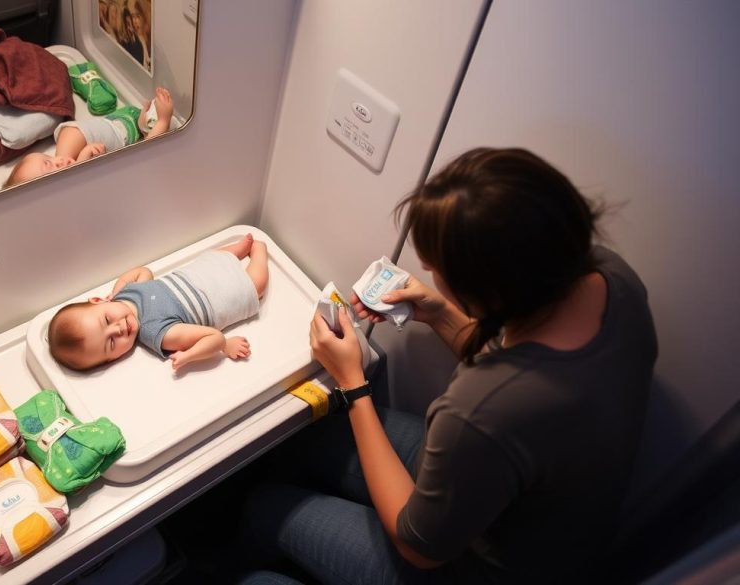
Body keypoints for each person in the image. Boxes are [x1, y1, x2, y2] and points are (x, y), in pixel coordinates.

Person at [243, 147, 658, 583]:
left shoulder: (480, 411)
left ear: (491, 293)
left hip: (475, 566)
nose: (427, 270)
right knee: (312, 438)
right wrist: (441, 312)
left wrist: (353, 385)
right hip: (532, 509)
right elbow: (519, 365)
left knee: (267, 510)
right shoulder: (611, 279)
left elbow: (419, 547)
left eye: (438, 269)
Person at [49, 233, 269, 371]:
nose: (118, 329)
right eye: (111, 343)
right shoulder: (156, 333)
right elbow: (214, 336)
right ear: (112, 359)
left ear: (99, 300)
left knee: (214, 256)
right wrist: (197, 353)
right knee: (256, 286)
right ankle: (259, 252)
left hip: (198, 273)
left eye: (107, 319)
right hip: (220, 297)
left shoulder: (126, 294)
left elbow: (142, 272)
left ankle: (238, 251)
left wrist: (116, 292)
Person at [5, 87, 173, 186]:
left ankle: (144, 125)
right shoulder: (81, 189)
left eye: (48, 159)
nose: (58, 161)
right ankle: (156, 124)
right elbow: (146, 156)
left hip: (115, 122)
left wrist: (81, 159)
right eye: (50, 166)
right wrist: (164, 120)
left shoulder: (66, 172)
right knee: (144, 155)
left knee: (68, 134)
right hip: (124, 137)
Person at [127, 0, 152, 71]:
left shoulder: (150, 40)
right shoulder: (135, 42)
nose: (134, 21)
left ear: (144, 16)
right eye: (132, 17)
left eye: (137, 16)